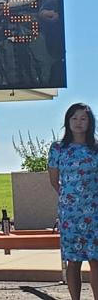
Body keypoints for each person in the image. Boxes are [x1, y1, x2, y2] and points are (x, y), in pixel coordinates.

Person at [48, 103, 98, 300]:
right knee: (73, 261)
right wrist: (70, 199)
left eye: (83, 118)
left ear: (90, 123)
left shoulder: (96, 148)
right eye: (74, 118)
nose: (78, 122)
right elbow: (54, 180)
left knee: (96, 260)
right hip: (70, 215)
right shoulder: (58, 148)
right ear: (68, 121)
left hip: (95, 213)